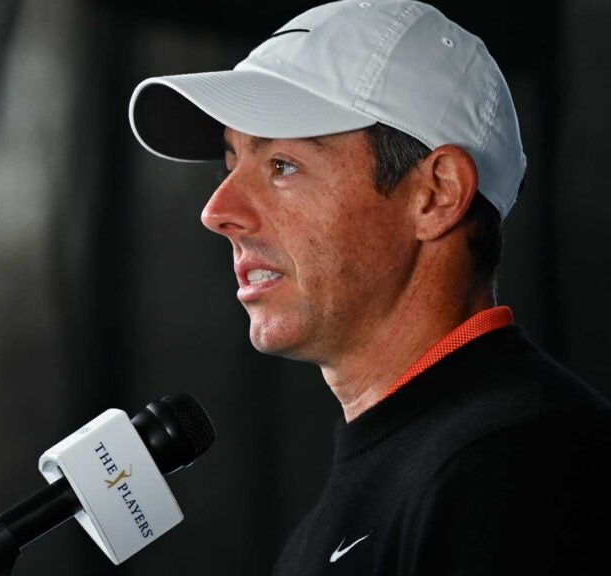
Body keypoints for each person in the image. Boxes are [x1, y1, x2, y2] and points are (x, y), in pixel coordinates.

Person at [128, 1, 611, 574]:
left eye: (281, 165)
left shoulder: (522, 470)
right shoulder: (421, 473)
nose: (217, 210)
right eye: (228, 165)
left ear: (437, 195)